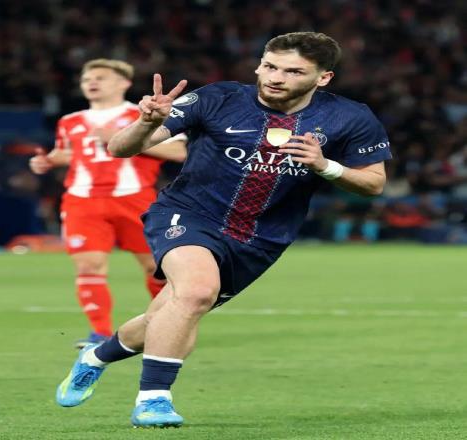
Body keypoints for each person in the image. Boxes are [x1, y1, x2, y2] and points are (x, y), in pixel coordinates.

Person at [55, 33, 391, 427]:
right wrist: (146, 124)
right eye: (270, 66)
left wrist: (325, 166)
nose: (276, 77)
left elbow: (373, 184)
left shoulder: (349, 117)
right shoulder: (218, 98)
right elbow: (119, 147)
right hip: (188, 214)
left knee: (165, 316)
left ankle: (95, 357)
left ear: (323, 78)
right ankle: (153, 400)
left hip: (261, 239)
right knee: (196, 291)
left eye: (293, 71)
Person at [30, 59, 186, 348]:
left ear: (123, 83)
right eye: (86, 78)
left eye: (101, 77)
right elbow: (69, 153)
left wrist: (125, 138)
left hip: (135, 198)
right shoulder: (70, 121)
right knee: (89, 266)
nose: (92, 82)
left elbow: (178, 151)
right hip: (82, 200)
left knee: (156, 268)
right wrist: (48, 161)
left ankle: (165, 324)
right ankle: (99, 334)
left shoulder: (145, 113)